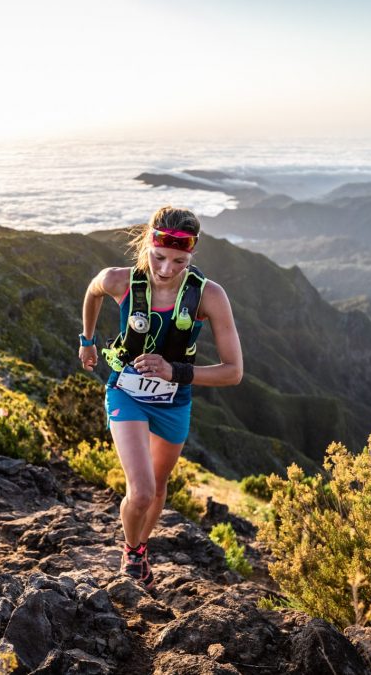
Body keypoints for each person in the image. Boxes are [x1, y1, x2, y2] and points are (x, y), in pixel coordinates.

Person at [78, 206, 242, 589]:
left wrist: (175, 372)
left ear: (192, 255)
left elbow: (233, 372)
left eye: (179, 261)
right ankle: (131, 552)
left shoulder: (208, 296)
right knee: (142, 491)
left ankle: (141, 548)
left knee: (160, 484)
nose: (167, 269)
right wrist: (87, 340)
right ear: (147, 244)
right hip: (126, 391)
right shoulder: (120, 281)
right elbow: (92, 291)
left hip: (174, 400)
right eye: (159, 257)